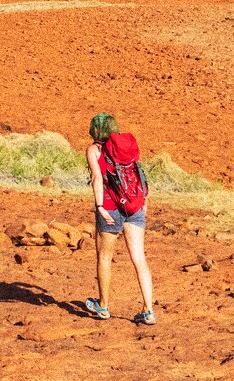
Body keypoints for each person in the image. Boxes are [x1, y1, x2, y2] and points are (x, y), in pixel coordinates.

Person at [80, 111, 156, 325]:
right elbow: (139, 176)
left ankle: (103, 306)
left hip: (111, 208)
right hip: (135, 207)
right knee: (139, 259)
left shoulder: (94, 150)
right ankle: (149, 310)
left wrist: (100, 206)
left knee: (104, 257)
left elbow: (96, 178)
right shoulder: (126, 149)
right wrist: (143, 207)